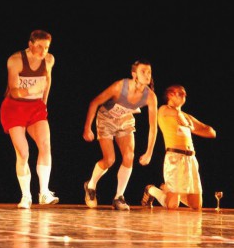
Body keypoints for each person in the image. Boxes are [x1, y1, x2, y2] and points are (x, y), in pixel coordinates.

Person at [82, 59, 158, 210]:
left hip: (125, 121)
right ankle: (90, 186)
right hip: (106, 119)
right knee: (110, 159)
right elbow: (95, 102)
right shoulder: (120, 86)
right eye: (143, 71)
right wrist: (87, 128)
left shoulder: (150, 96)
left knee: (129, 156)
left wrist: (149, 152)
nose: (147, 75)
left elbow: (153, 126)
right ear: (134, 74)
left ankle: (119, 197)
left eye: (149, 72)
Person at [0, 29, 59, 209]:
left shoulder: (49, 60)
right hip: (14, 107)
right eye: (39, 47)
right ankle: (26, 196)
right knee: (23, 153)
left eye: (46, 47)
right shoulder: (15, 60)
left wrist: (44, 103)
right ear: (30, 45)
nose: (43, 52)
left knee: (45, 144)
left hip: (36, 108)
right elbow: (14, 90)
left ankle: (44, 192)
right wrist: (33, 90)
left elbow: (48, 81)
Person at [141, 84, 216, 210]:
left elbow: (210, 131)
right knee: (172, 205)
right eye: (180, 93)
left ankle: (169, 189)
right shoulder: (164, 110)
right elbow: (176, 113)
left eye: (185, 94)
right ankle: (152, 190)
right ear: (170, 95)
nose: (184, 95)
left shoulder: (186, 116)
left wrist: (194, 128)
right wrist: (187, 123)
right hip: (174, 158)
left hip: (190, 160)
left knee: (196, 205)